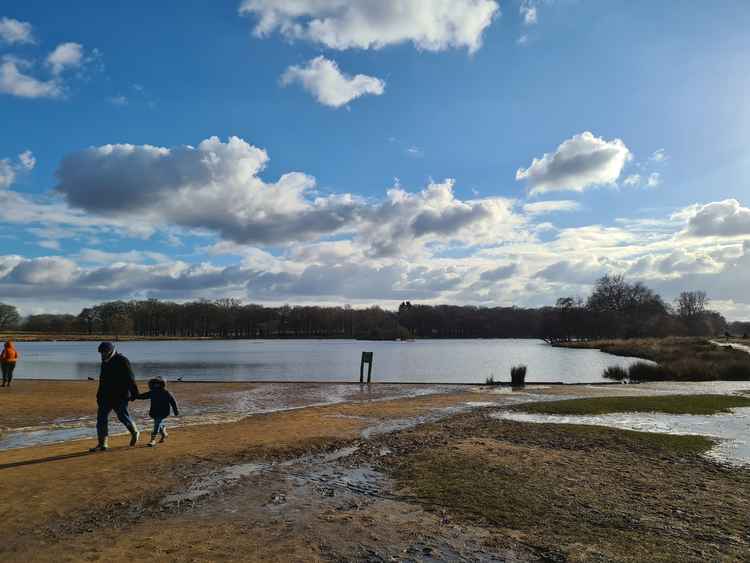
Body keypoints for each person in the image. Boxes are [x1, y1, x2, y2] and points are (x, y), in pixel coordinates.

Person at [90, 342, 140, 452]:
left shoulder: (122, 360)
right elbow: (102, 380)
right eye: (101, 353)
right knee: (101, 419)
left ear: (111, 350)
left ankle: (135, 432)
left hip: (120, 396)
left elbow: (130, 378)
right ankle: (102, 444)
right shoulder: (104, 362)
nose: (103, 355)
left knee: (123, 417)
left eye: (105, 352)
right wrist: (99, 395)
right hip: (105, 397)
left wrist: (134, 393)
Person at [136, 376, 179, 447]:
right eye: (154, 384)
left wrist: (176, 411)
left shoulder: (166, 393)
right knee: (158, 423)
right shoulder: (152, 392)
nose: (156, 385)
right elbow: (142, 396)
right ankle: (164, 433)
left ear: (162, 384)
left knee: (157, 424)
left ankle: (152, 440)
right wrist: (133, 396)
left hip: (163, 412)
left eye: (158, 384)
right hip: (154, 412)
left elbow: (173, 402)